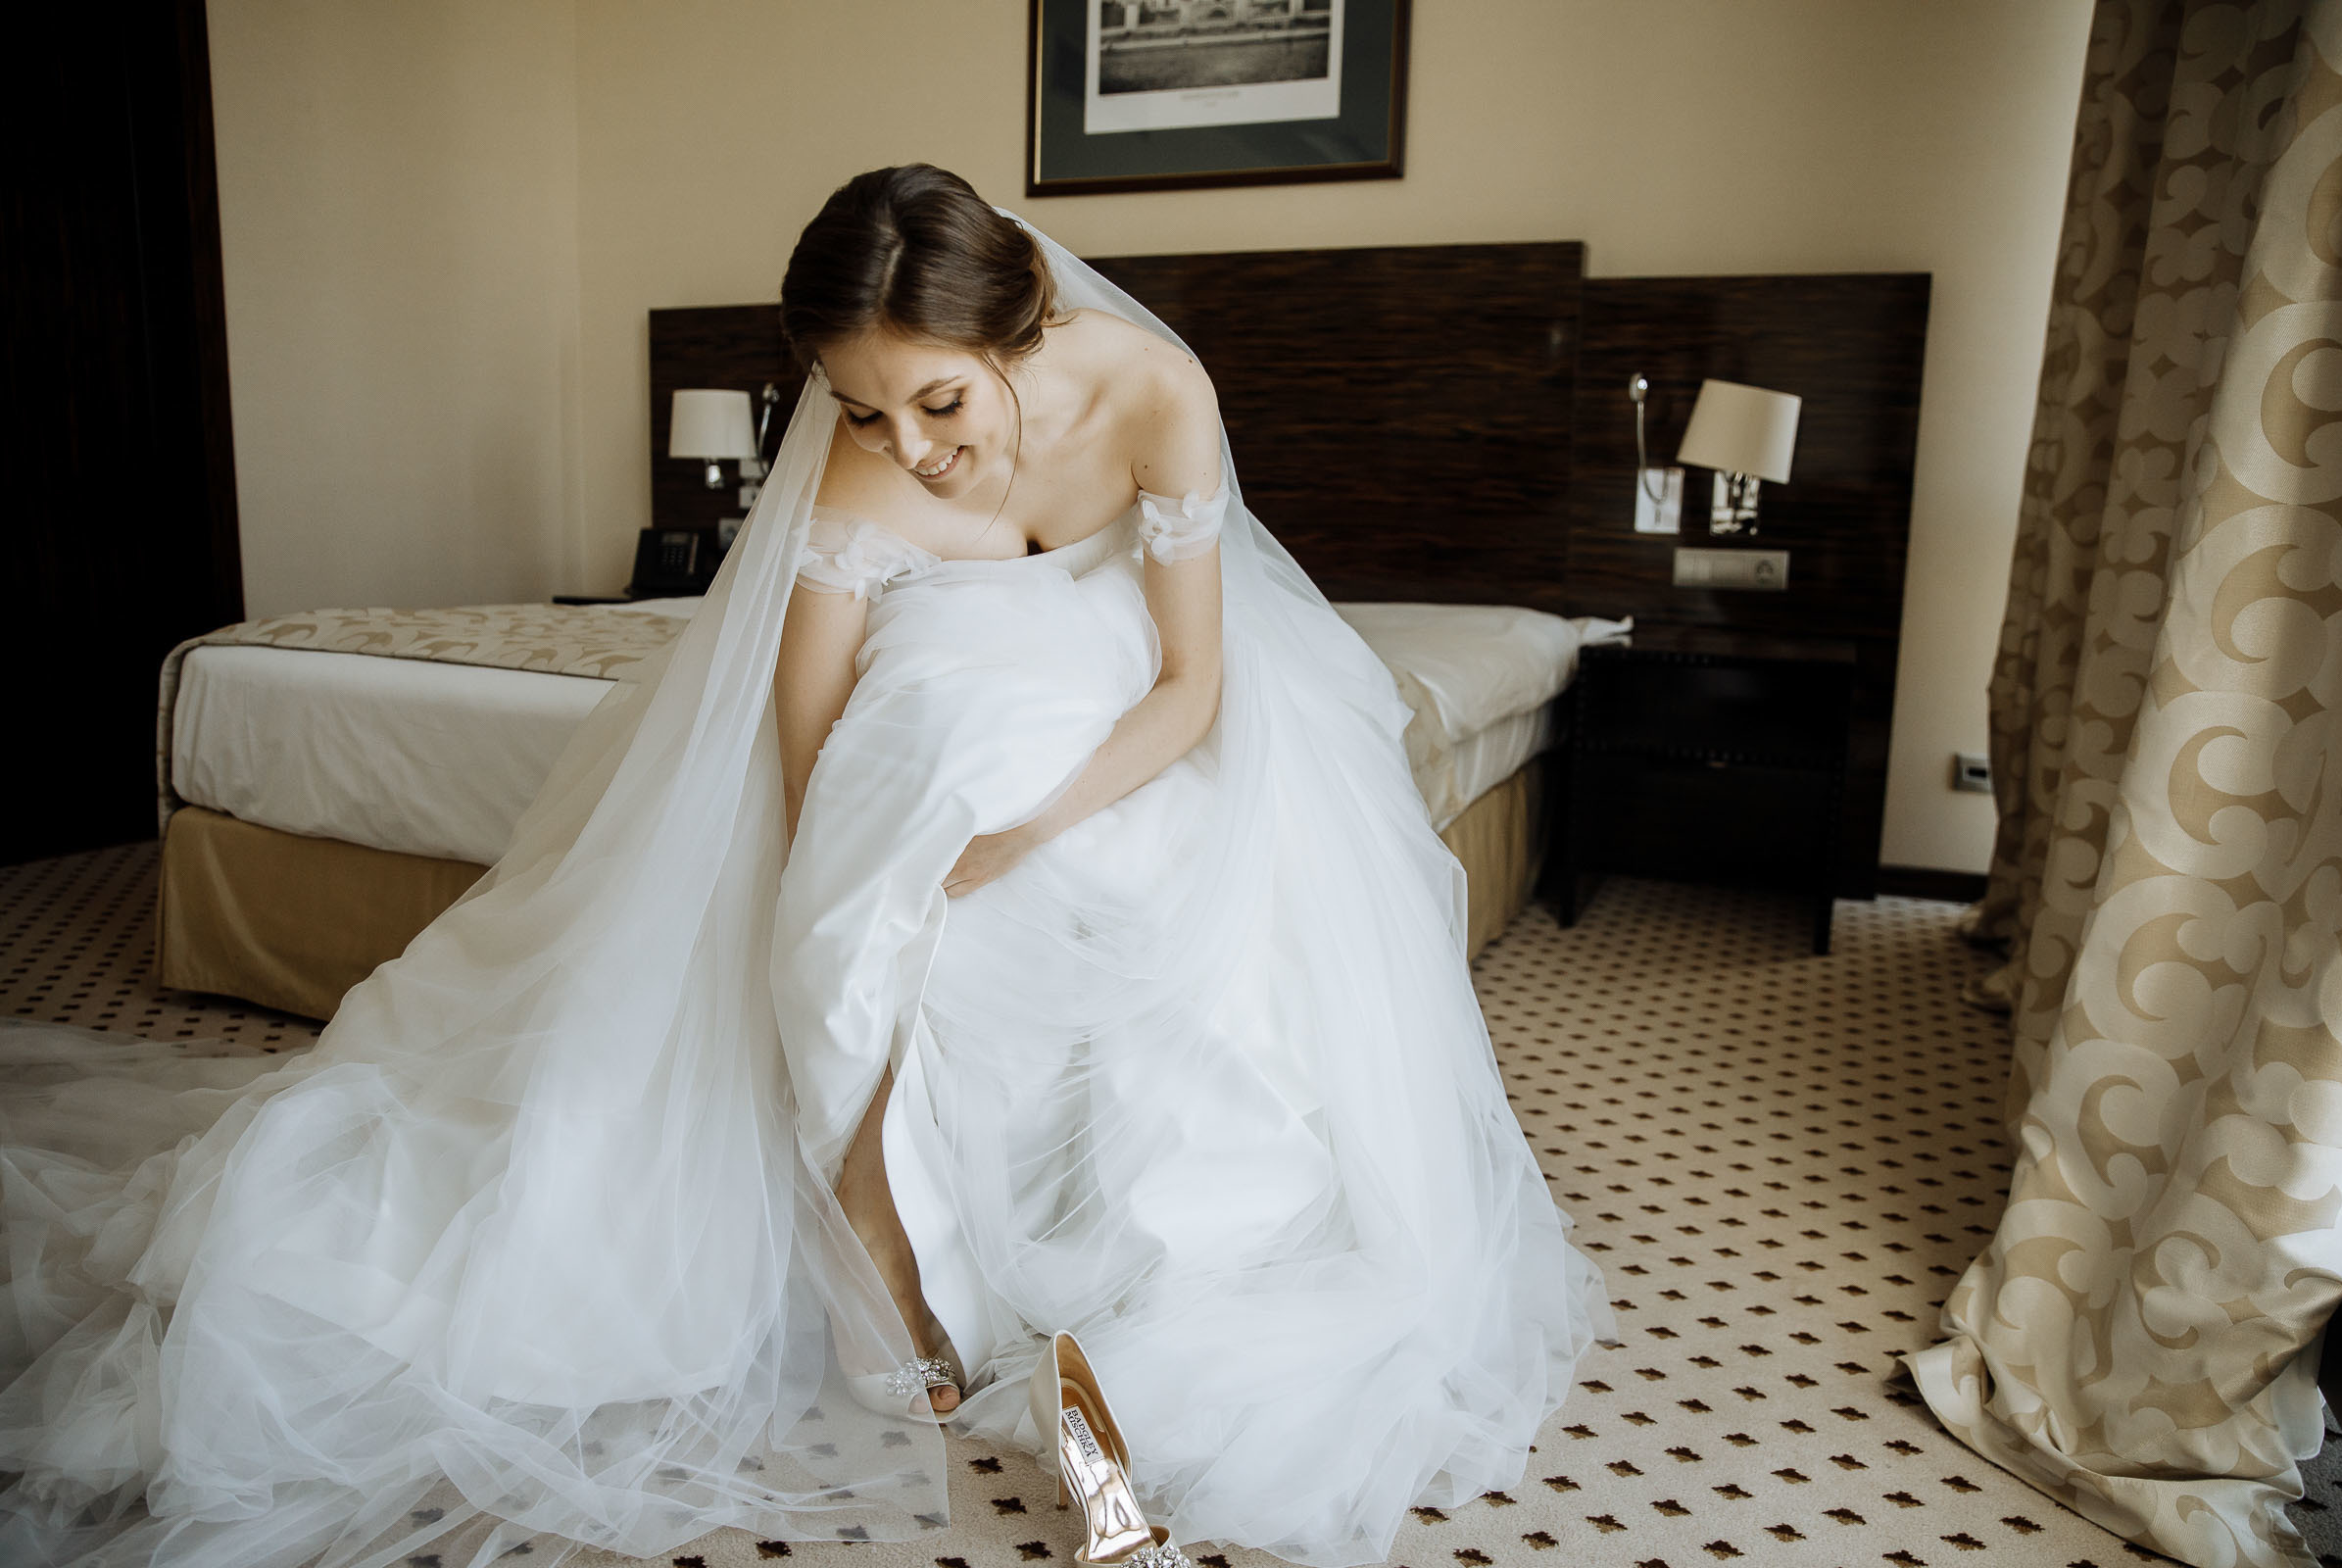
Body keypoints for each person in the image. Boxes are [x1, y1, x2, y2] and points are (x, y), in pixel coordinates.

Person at [0, 166, 1607, 1568]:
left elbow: (1193, 688)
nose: (903, 450)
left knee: (1173, 914)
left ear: (1025, 328)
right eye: (859, 410)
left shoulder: (1155, 395)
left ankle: (1096, 1275)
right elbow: (810, 712)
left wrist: (1022, 828)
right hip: (928, 723)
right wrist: (858, 870)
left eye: (941, 406)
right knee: (891, 859)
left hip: (1125, 723)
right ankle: (898, 1250)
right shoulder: (854, 462)